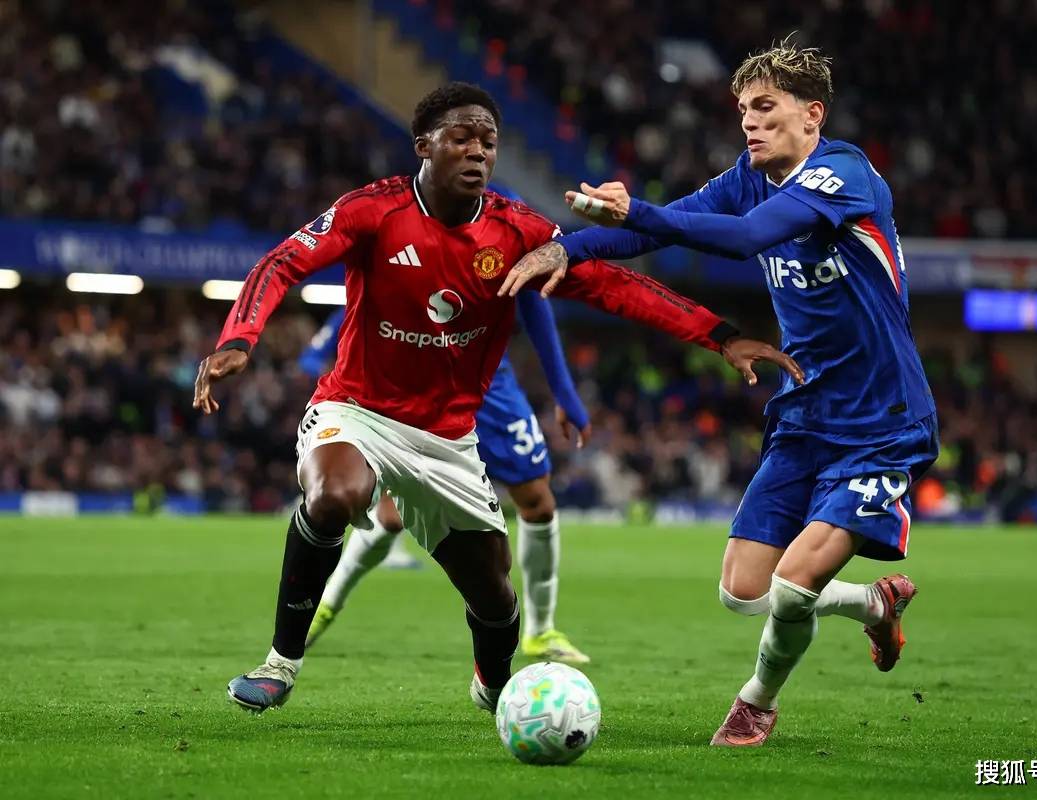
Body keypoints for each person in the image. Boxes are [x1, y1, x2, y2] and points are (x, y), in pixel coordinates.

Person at [192, 82, 802, 714]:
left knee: (493, 591)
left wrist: (719, 335)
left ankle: (494, 686)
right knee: (333, 494)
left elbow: (613, 286)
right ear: (424, 145)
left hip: (448, 438)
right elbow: (282, 263)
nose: (478, 151)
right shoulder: (372, 211)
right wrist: (239, 338)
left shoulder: (517, 231)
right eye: (462, 138)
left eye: (488, 141)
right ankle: (280, 664)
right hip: (357, 410)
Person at [500, 44, 939, 746]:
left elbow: (744, 238)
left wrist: (636, 211)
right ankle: (873, 605)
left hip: (881, 418)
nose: (749, 123)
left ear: (812, 114)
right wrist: (567, 249)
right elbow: (654, 231)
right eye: (742, 111)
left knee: (793, 585)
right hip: (805, 414)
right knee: (742, 590)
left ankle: (755, 703)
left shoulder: (845, 174)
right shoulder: (747, 177)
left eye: (765, 108)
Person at [299, 290, 594, 665]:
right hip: (418, 382)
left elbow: (534, 299)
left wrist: (564, 392)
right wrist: (324, 347)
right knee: (391, 514)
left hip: (491, 385)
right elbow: (373, 290)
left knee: (538, 501)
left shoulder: (505, 253)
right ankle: (326, 605)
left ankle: (541, 630)